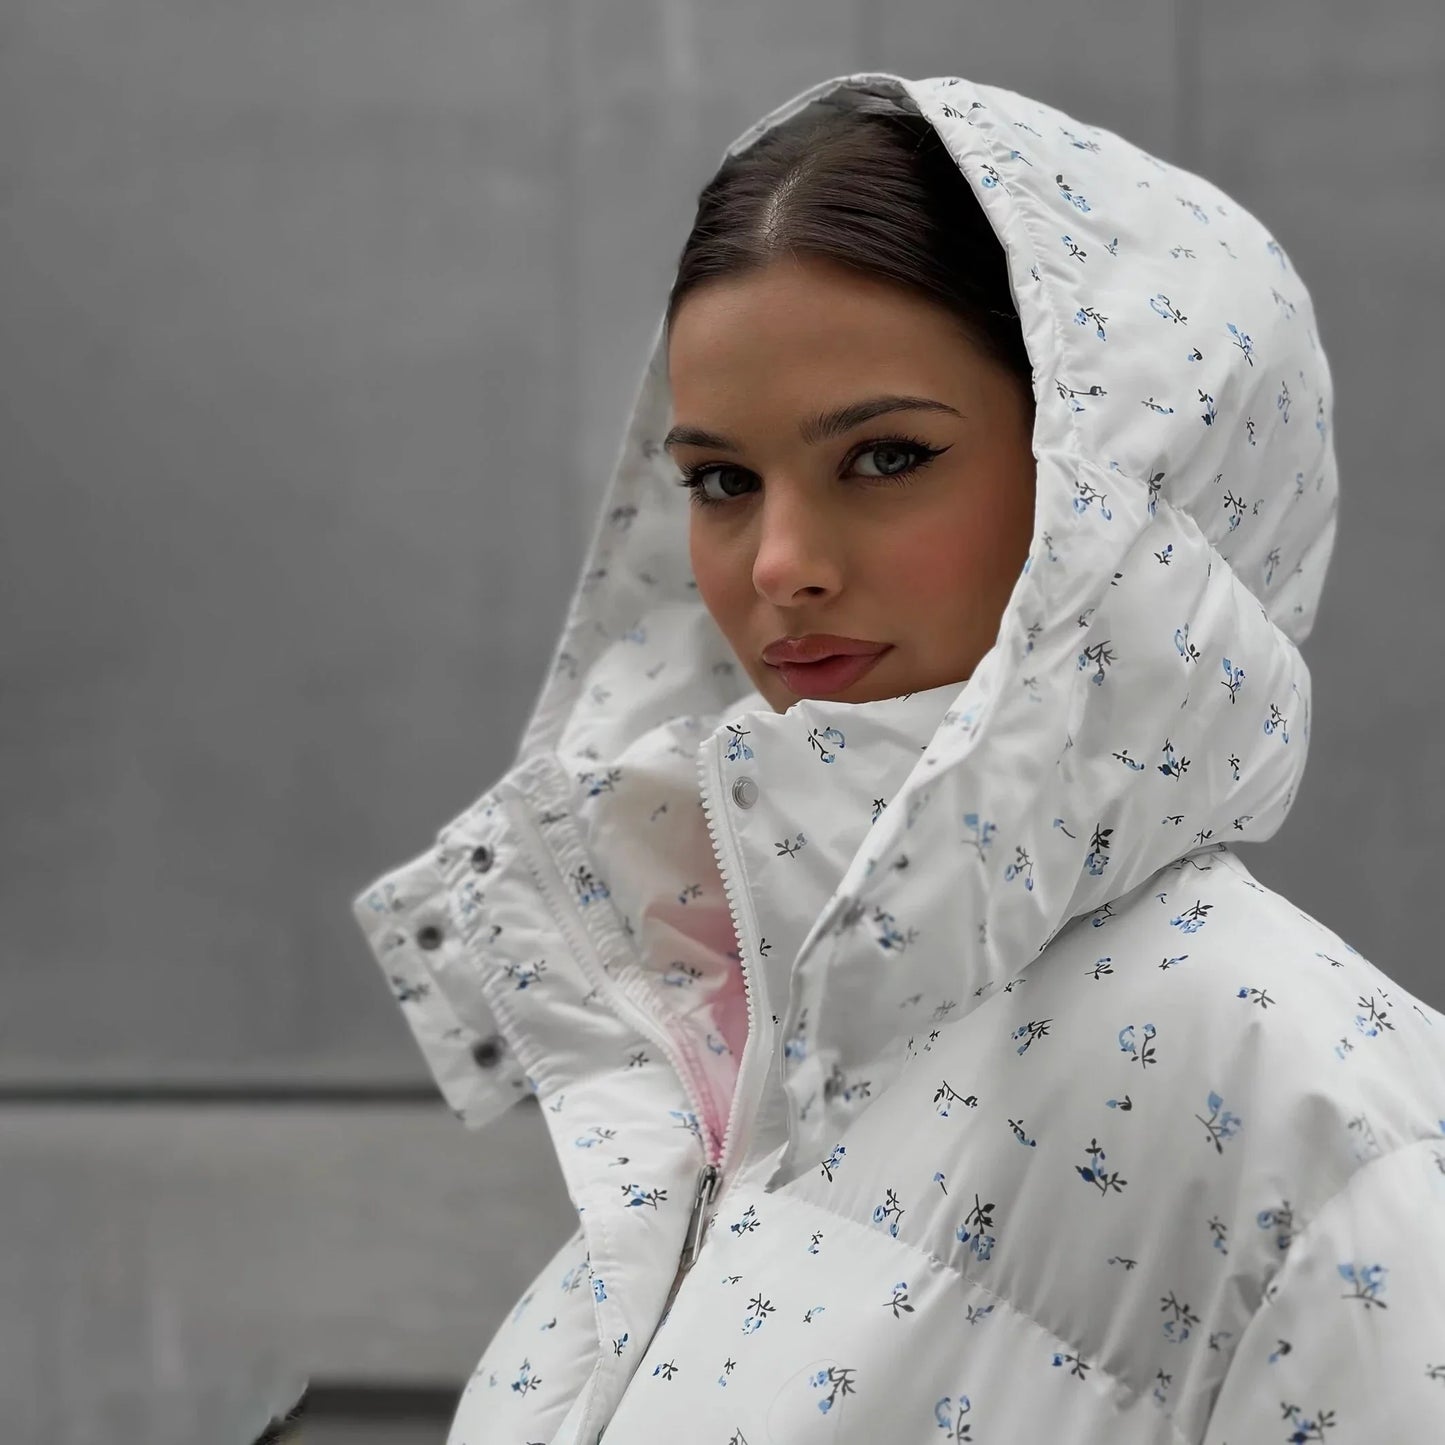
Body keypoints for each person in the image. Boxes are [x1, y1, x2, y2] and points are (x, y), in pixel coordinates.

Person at [352, 72, 1445, 1444]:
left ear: (1120, 490)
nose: (779, 564)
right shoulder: (735, 1061)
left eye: (883, 457)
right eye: (720, 480)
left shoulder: (1316, 1114)